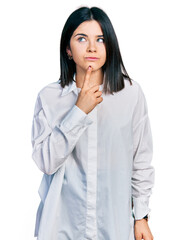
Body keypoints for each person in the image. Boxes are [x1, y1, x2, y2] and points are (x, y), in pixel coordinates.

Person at [31, 6, 155, 240]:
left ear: (110, 46)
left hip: (114, 226)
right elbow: (46, 162)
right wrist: (79, 111)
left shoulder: (130, 94)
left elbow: (141, 160)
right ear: (68, 49)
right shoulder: (48, 98)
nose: (92, 47)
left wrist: (141, 217)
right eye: (81, 38)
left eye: (100, 39)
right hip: (62, 227)